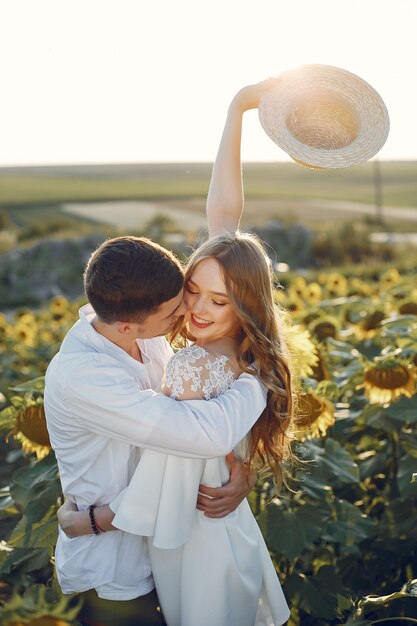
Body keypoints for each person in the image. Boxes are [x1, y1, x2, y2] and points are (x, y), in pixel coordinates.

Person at [58, 81, 292, 626]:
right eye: (191, 293)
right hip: (175, 542)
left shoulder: (195, 359)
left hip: (188, 537)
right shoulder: (234, 343)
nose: (195, 311)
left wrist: (95, 519)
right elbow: (225, 222)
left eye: (219, 300)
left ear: (246, 302)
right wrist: (237, 109)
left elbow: (178, 462)